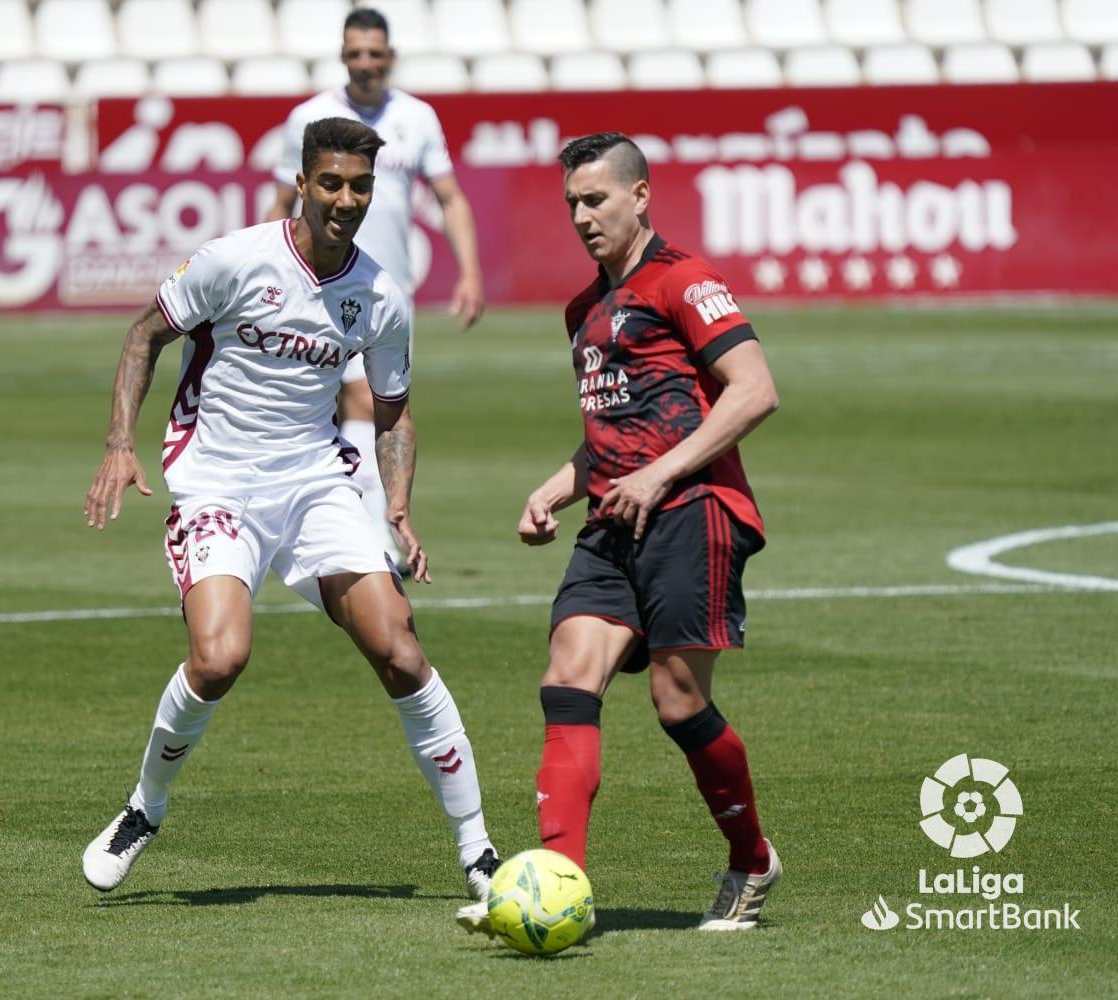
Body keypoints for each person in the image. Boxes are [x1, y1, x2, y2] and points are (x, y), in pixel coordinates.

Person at [81, 117, 499, 901]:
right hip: (217, 483)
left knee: (400, 649)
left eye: (361, 186)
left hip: (315, 484)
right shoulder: (235, 260)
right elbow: (144, 337)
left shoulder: (380, 295)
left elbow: (394, 407)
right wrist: (118, 443)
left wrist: (398, 508)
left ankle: (477, 853)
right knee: (219, 659)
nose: (346, 200)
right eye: (333, 183)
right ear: (303, 183)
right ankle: (146, 807)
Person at [458, 132, 782, 935]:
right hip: (613, 518)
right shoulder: (584, 310)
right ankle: (552, 886)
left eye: (596, 198)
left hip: (693, 510)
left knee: (678, 705)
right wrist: (557, 488)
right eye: (571, 202)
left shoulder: (686, 280)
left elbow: (754, 392)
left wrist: (659, 475)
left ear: (641, 196)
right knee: (568, 676)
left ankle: (751, 861)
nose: (581, 216)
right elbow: (612, 432)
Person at [265, 6, 484, 563]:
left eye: (375, 54)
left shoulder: (417, 117)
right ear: (343, 56)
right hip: (312, 284)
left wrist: (470, 272)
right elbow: (282, 202)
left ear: (390, 57)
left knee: (376, 406)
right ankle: (351, 537)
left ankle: (360, 537)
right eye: (356, 53)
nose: (365, 64)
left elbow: (449, 197)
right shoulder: (309, 118)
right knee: (331, 408)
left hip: (385, 292)